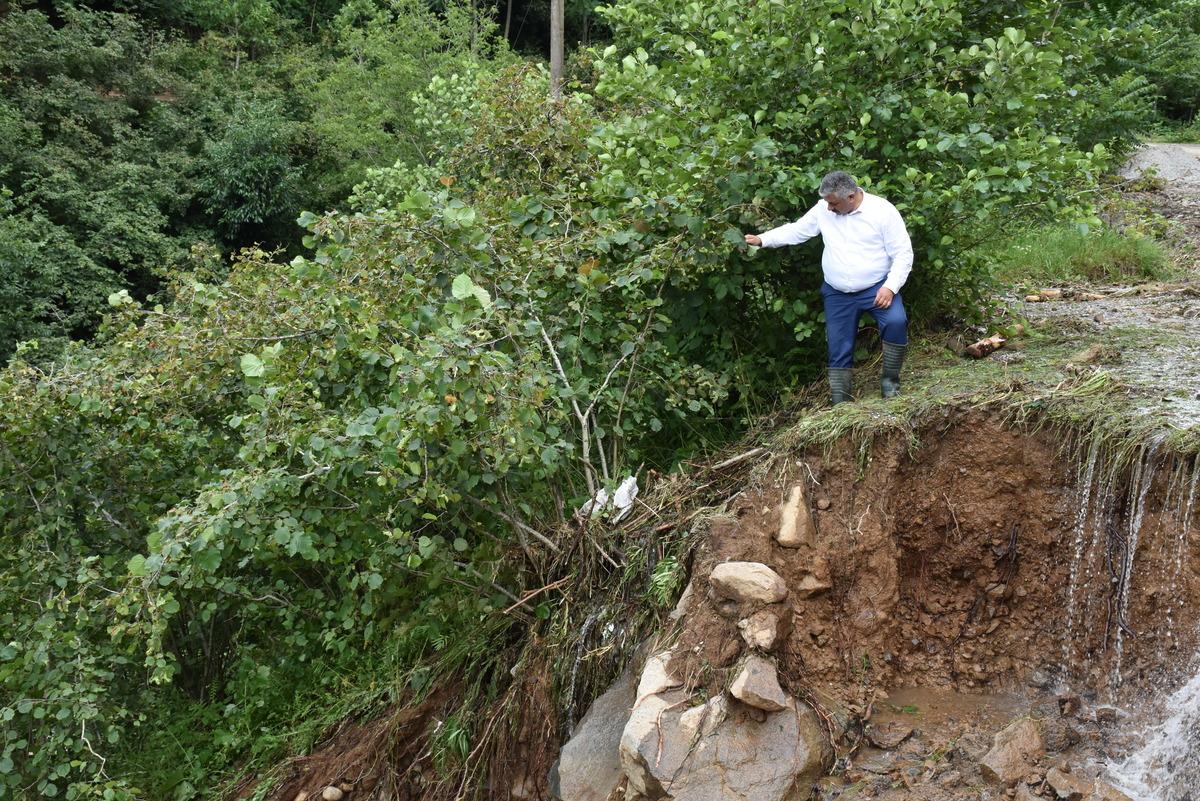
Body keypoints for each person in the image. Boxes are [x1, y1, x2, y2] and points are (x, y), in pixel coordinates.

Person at [744, 171, 913, 404]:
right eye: (827, 202)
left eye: (833, 203)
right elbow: (797, 230)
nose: (829, 208)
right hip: (837, 293)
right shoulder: (824, 209)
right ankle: (841, 402)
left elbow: (903, 254)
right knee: (838, 345)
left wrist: (890, 287)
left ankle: (890, 385)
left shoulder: (883, 212)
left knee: (896, 322)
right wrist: (763, 239)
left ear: (851, 197)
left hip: (877, 287)